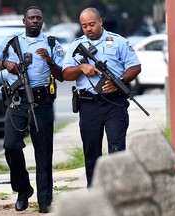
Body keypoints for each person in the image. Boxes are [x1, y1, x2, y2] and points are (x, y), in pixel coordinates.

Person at [0, 6, 64, 213]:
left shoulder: (51, 43)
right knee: (11, 146)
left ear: (42, 21)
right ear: (24, 21)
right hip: (17, 101)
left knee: (43, 152)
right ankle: (23, 189)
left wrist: (49, 60)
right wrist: (5, 63)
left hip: (42, 102)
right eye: (31, 18)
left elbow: (62, 74)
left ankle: (45, 200)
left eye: (38, 17)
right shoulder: (11, 41)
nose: (35, 20)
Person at [62, 7, 141, 187]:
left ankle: (119, 192)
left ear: (100, 22)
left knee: (117, 148)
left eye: (91, 24)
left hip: (115, 102)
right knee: (91, 151)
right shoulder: (75, 46)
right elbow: (65, 74)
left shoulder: (118, 41)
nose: (88, 29)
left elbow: (135, 67)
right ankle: (95, 194)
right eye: (84, 26)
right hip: (89, 105)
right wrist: (81, 68)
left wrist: (119, 80)